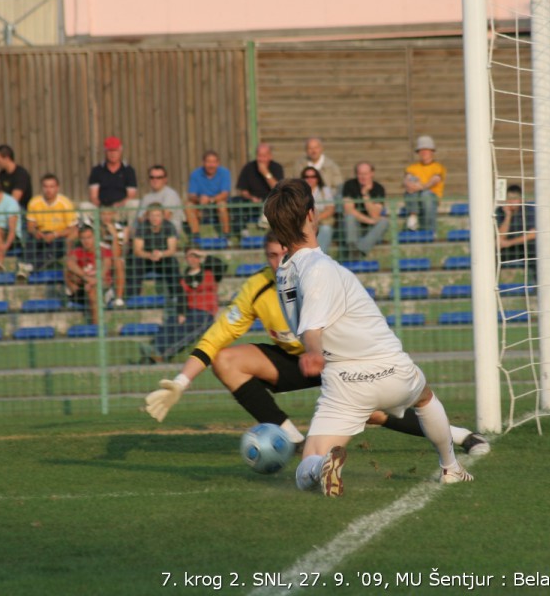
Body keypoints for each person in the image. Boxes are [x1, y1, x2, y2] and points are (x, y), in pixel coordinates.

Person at [144, 233, 490, 458]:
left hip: (339, 363)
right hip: (299, 363)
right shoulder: (258, 288)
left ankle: (458, 436)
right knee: (226, 360)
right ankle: (290, 441)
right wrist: (180, 382)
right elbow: (217, 334)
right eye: (271, 256)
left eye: (283, 255)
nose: (279, 264)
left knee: (374, 412)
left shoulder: (321, 277)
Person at [263, 179, 473, 496]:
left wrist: (317, 353)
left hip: (343, 382)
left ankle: (322, 467)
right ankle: (451, 468)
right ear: (312, 214)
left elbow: (309, 318)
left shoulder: (283, 272)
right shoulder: (319, 267)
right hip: (389, 368)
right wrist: (313, 351)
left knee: (307, 465)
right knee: (425, 397)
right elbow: (312, 324)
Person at [143, 246, 221, 363]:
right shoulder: (184, 278)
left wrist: (204, 255)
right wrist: (181, 313)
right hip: (189, 311)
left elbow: (222, 266)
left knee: (186, 328)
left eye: (195, 256)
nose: (192, 259)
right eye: (189, 256)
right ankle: (154, 349)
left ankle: (162, 354)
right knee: (171, 322)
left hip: (205, 312)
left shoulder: (210, 273)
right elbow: (181, 297)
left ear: (199, 258)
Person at [18, 173, 78, 279]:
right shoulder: (34, 202)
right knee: (31, 241)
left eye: (51, 186)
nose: (48, 190)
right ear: (42, 188)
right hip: (41, 233)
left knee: (54, 247)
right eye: (45, 186)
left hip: (59, 235)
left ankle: (29, 267)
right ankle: (26, 266)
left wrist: (55, 234)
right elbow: (30, 225)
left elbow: (73, 229)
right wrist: (36, 233)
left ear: (57, 188)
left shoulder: (65, 203)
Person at [65, 225, 120, 324]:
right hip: (83, 285)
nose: (86, 241)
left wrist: (95, 280)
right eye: (83, 238)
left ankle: (97, 328)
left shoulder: (103, 251)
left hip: (101, 286)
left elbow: (106, 266)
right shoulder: (78, 252)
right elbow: (70, 263)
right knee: (68, 271)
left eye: (89, 237)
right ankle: (72, 296)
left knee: (92, 291)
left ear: (95, 237)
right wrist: (86, 278)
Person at [128, 203, 181, 304]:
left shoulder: (169, 226)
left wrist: (161, 254)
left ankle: (175, 296)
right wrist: (149, 255)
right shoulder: (142, 227)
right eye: (152, 215)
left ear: (162, 215)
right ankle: (133, 297)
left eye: (157, 215)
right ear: (147, 216)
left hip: (163, 258)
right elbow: (137, 250)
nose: (154, 218)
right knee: (135, 263)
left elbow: (172, 249)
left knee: (173, 263)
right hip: (146, 259)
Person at [231, 143, 283, 236]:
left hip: (270, 199)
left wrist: (265, 173)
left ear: (270, 156)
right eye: (259, 156)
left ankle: (267, 226)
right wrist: (251, 198)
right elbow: (243, 190)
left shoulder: (277, 167)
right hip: (251, 200)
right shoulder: (248, 167)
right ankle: (241, 231)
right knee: (235, 201)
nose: (261, 159)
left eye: (264, 156)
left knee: (276, 200)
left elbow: (278, 188)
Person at [341, 161, 389, 257]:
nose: (363, 177)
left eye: (365, 174)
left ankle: (359, 249)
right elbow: (348, 210)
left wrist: (365, 195)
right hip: (356, 226)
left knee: (384, 222)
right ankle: (353, 247)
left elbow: (375, 214)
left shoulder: (379, 188)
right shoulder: (349, 185)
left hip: (372, 230)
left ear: (372, 173)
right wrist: (369, 220)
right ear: (356, 174)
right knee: (349, 217)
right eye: (360, 174)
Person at [403, 135, 445, 233]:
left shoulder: (438, 167)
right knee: (410, 189)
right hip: (415, 195)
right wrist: (411, 185)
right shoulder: (412, 167)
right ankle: (413, 216)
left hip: (431, 197)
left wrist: (420, 187)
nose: (424, 152)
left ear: (432, 151)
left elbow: (434, 180)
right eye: (421, 150)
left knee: (425, 194)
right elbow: (407, 180)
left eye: (426, 149)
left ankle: (429, 231)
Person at [185, 150, 231, 239]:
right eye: (208, 162)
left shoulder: (225, 173)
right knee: (188, 205)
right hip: (200, 205)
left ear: (218, 163)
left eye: (214, 162)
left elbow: (225, 194)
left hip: (218, 203)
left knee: (221, 205)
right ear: (203, 163)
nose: (211, 165)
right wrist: (200, 199)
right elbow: (191, 195)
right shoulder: (195, 174)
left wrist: (211, 200)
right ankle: (196, 236)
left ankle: (226, 235)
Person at [495, 184, 536, 282]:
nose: (511, 202)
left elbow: (533, 234)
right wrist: (508, 216)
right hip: (507, 249)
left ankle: (536, 284)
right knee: (491, 256)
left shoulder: (529, 210)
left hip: (525, 247)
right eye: (509, 199)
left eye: (514, 199)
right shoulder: (500, 212)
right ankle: (492, 285)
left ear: (521, 199)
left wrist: (510, 242)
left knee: (537, 252)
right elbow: (500, 238)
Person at [88, 136, 138, 213]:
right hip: (101, 209)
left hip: (121, 209)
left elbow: (131, 196)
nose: (113, 154)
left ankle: (130, 225)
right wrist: (104, 209)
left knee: (134, 204)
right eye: (110, 151)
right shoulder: (97, 170)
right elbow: (93, 196)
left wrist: (117, 206)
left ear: (120, 151)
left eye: (115, 151)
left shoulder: (128, 170)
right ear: (105, 152)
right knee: (84, 206)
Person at [301, 167, 335, 254]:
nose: (310, 179)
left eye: (313, 176)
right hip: (303, 223)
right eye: (307, 176)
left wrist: (314, 219)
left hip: (322, 222)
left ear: (317, 178)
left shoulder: (325, 190)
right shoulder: (299, 192)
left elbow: (330, 209)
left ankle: (319, 256)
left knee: (326, 229)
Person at [0, 144, 33, 210]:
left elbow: (14, 200)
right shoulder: (1, 174)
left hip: (20, 208)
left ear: (6, 158)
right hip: (5, 206)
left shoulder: (21, 174)